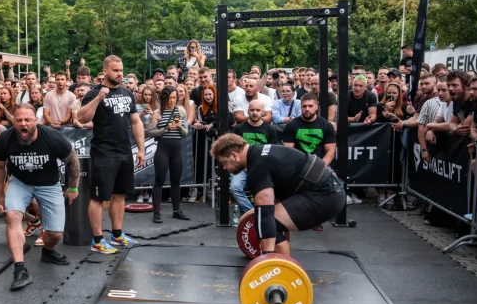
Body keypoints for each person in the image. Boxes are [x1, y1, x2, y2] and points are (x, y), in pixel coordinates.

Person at [212, 133, 346, 256]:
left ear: (235, 155)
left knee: (271, 222)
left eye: (224, 162)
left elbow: (265, 216)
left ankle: (278, 270)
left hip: (325, 196)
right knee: (267, 219)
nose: (224, 168)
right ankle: (277, 263)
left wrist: (265, 257)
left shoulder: (257, 167)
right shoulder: (260, 152)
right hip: (328, 188)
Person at [0, 105, 80, 290]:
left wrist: (73, 187)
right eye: (19, 120)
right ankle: (19, 269)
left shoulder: (51, 137)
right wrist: (1, 196)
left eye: (27, 120)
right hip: (20, 182)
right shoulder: (6, 138)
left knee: (55, 234)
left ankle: (48, 252)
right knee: (13, 216)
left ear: (35, 121)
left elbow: (72, 160)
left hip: (48, 184)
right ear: (14, 122)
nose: (23, 124)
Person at [75, 55, 146, 254]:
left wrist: (140, 149)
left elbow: (135, 122)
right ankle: (97, 240)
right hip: (103, 151)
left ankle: (116, 235)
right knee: (98, 197)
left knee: (120, 194)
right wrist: (98, 98)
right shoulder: (94, 93)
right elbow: (82, 118)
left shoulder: (127, 93)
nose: (120, 74)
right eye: (115, 70)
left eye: (121, 70)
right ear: (105, 71)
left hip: (124, 151)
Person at [229, 99, 281, 218]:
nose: (255, 113)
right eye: (252, 110)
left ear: (263, 112)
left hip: (262, 167)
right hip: (242, 166)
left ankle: (260, 214)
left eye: (258, 110)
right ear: (248, 111)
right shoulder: (239, 128)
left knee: (270, 190)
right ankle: (252, 214)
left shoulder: (270, 129)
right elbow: (235, 151)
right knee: (235, 188)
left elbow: (272, 152)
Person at [147, 86, 189, 223]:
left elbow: (185, 133)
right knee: (159, 181)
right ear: (164, 98)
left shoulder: (181, 111)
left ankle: (177, 210)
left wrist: (179, 127)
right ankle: (156, 212)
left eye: (174, 98)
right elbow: (152, 133)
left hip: (177, 149)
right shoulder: (158, 113)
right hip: (163, 149)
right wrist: (165, 129)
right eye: (170, 98)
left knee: (176, 181)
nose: (172, 100)